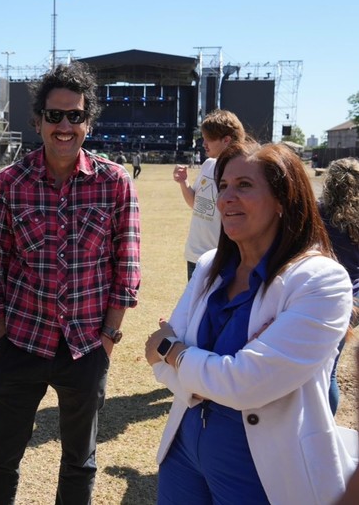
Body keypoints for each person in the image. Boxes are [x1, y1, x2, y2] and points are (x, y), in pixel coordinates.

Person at [145, 141, 357, 504]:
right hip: (183, 453)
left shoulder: (321, 280)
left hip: (260, 469)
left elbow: (246, 384)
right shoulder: (209, 265)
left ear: (283, 200)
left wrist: (174, 352)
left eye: (244, 185)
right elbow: (158, 365)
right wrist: (212, 373)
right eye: (223, 185)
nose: (227, 197)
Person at [0, 62, 141, 505]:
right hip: (21, 342)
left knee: (79, 462)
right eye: (54, 115)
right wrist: (2, 334)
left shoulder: (114, 182)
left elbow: (126, 264)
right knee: (0, 460)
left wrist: (107, 339)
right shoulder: (10, 182)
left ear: (88, 122)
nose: (64, 126)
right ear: (38, 121)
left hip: (86, 347)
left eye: (75, 116)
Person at [173, 110, 247, 281]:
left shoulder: (241, 173)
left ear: (226, 140)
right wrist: (183, 182)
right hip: (194, 255)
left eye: (209, 139)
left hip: (220, 259)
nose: (204, 143)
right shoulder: (208, 165)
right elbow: (196, 204)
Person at [318, 157, 359, 414]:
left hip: (325, 297)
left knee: (321, 370)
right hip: (354, 301)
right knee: (330, 367)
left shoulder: (317, 212)